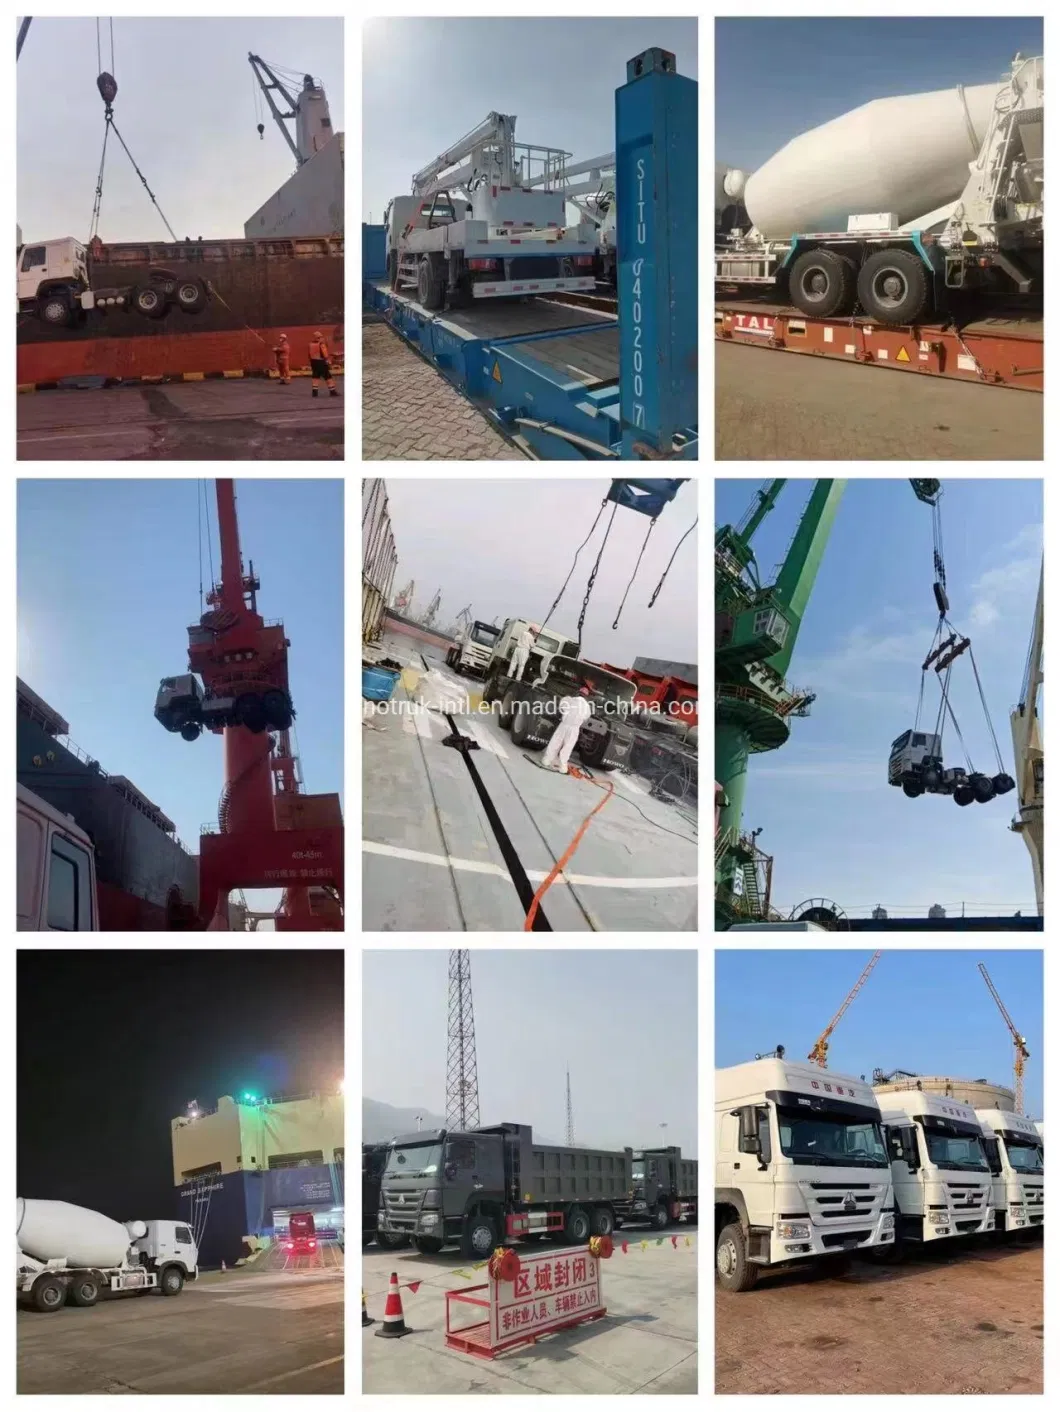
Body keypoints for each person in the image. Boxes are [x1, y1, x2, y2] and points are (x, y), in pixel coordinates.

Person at [541, 685, 593, 775]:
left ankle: (547, 760)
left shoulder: (568, 700)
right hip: (574, 729)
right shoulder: (587, 707)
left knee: (556, 742)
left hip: (564, 725)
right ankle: (563, 767)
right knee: (568, 747)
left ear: (578, 692)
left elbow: (562, 707)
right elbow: (586, 717)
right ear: (586, 696)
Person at [308, 330, 339, 398]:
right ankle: (332, 391)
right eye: (321, 337)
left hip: (314, 362)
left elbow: (309, 355)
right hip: (321, 362)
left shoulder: (310, 344)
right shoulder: (321, 344)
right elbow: (324, 354)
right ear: (319, 337)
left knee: (315, 376)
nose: (322, 338)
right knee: (328, 376)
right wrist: (328, 360)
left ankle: (314, 392)